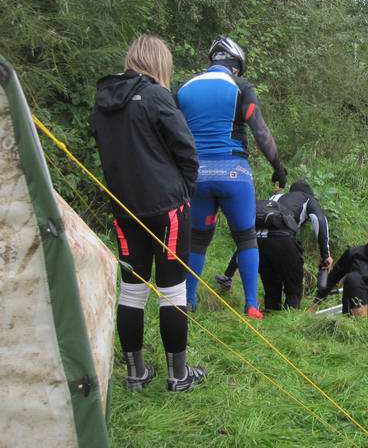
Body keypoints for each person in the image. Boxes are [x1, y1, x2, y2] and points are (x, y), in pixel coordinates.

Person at [90, 34, 206, 392]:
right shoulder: (156, 95)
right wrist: (185, 191)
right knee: (172, 291)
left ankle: (135, 373)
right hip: (166, 207)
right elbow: (186, 151)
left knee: (132, 290)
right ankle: (178, 376)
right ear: (159, 64)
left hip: (124, 209)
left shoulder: (102, 102)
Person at [176, 36, 287, 320]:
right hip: (234, 173)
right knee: (246, 238)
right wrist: (278, 166)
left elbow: (173, 134)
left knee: (198, 239)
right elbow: (261, 132)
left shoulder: (185, 89)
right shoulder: (240, 87)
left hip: (197, 175)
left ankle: (187, 301)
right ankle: (251, 305)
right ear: (236, 66)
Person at [216, 179, 333, 310]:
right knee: (293, 288)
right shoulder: (308, 198)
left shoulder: (275, 198)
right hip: (282, 240)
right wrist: (325, 254)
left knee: (271, 289)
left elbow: (246, 243)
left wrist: (229, 273)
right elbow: (319, 221)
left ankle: (271, 315)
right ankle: (291, 322)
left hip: (257, 241)